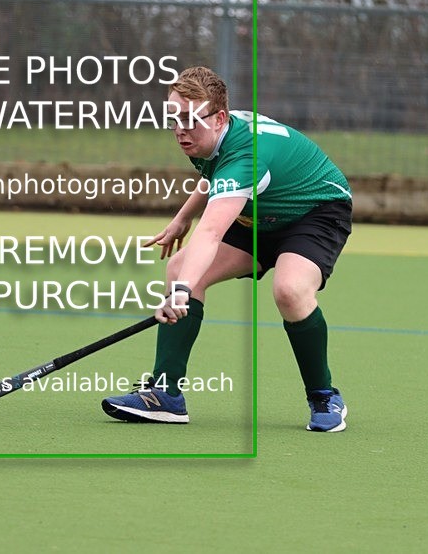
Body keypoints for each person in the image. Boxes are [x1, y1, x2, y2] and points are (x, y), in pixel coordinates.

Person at [102, 66, 352, 432]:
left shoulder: (245, 155)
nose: (180, 129)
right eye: (172, 118)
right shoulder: (208, 133)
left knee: (290, 289)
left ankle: (323, 394)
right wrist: (182, 217)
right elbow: (214, 177)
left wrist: (183, 292)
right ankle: (166, 396)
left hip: (312, 212)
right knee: (179, 269)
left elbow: (212, 231)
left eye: (188, 119)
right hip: (255, 213)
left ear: (219, 118)